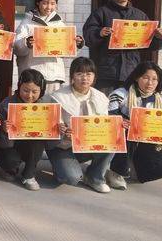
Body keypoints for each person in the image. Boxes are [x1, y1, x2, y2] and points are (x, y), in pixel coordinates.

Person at [83, 0, 162, 94]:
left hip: (131, 71)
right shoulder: (101, 13)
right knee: (105, 104)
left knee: (128, 104)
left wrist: (160, 38)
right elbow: (88, 37)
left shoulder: (139, 15)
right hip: (106, 73)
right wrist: (99, 33)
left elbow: (149, 45)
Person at [107, 61, 162, 188]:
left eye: (154, 79)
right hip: (122, 140)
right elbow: (107, 116)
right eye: (145, 77)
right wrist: (120, 121)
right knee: (130, 128)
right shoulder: (121, 94)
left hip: (146, 145)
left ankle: (137, 173)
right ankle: (116, 172)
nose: (150, 83)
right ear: (136, 77)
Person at [43, 57, 114, 193]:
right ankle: (60, 167)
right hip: (63, 147)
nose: (84, 78)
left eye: (89, 74)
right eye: (79, 74)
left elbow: (104, 125)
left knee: (112, 141)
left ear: (94, 77)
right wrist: (62, 131)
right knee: (71, 178)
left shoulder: (101, 97)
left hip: (87, 145)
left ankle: (94, 177)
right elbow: (52, 127)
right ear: (72, 76)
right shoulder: (58, 97)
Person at [13, 0, 84, 93]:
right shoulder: (27, 22)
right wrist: (26, 43)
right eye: (45, 3)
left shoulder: (59, 24)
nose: (49, 7)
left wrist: (76, 44)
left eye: (52, 3)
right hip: (32, 75)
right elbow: (16, 48)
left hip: (53, 75)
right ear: (38, 2)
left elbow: (66, 52)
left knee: (50, 102)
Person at [0, 68, 48, 191]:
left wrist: (57, 129)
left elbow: (51, 141)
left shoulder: (46, 106)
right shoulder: (6, 104)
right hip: (10, 145)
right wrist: (4, 130)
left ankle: (29, 175)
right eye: (25, 90)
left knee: (39, 140)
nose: (29, 95)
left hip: (31, 145)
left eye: (34, 91)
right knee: (10, 162)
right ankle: (9, 169)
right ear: (19, 87)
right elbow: (0, 143)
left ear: (41, 90)